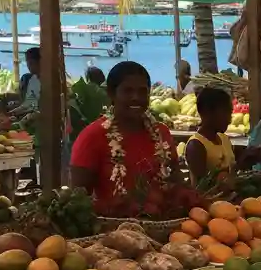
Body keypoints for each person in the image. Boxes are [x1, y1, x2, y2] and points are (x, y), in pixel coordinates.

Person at [70, 61, 181, 200]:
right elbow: (78, 199)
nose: (136, 97)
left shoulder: (161, 132)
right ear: (111, 94)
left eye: (142, 91)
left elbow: (177, 182)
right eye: (128, 91)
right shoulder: (92, 136)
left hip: (163, 213)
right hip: (111, 214)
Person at [184, 87, 237, 184]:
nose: (229, 120)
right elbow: (204, 186)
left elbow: (231, 174)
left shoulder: (224, 139)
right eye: (226, 113)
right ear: (207, 113)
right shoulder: (196, 145)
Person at [12, 47, 41, 115]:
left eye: (31, 63)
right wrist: (12, 113)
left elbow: (35, 109)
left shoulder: (46, 81)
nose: (28, 66)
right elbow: (28, 103)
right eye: (27, 63)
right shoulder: (33, 80)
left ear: (40, 62)